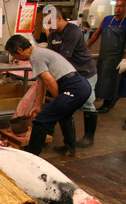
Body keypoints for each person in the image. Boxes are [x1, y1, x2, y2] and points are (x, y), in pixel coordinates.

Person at [5, 35, 91, 156]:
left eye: (15, 56)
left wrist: (57, 100)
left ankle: (31, 156)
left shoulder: (36, 56)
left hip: (74, 87)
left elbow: (50, 81)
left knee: (41, 120)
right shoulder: (39, 53)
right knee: (64, 115)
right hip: (81, 85)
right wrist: (37, 105)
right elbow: (41, 82)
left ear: (19, 49)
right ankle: (69, 148)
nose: (17, 59)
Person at [47, 8, 98, 153]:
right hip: (68, 75)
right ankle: (66, 142)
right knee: (64, 104)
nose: (49, 27)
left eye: (51, 23)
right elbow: (51, 55)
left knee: (88, 103)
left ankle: (89, 136)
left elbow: (62, 58)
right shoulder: (52, 34)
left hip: (84, 72)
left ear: (60, 18)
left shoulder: (72, 31)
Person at [87, 0, 126, 114]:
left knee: (112, 81)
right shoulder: (107, 19)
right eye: (117, 6)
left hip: (117, 57)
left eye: (121, 6)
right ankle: (101, 98)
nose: (118, 8)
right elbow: (96, 34)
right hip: (104, 55)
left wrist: (125, 59)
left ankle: (108, 103)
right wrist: (87, 46)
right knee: (101, 78)